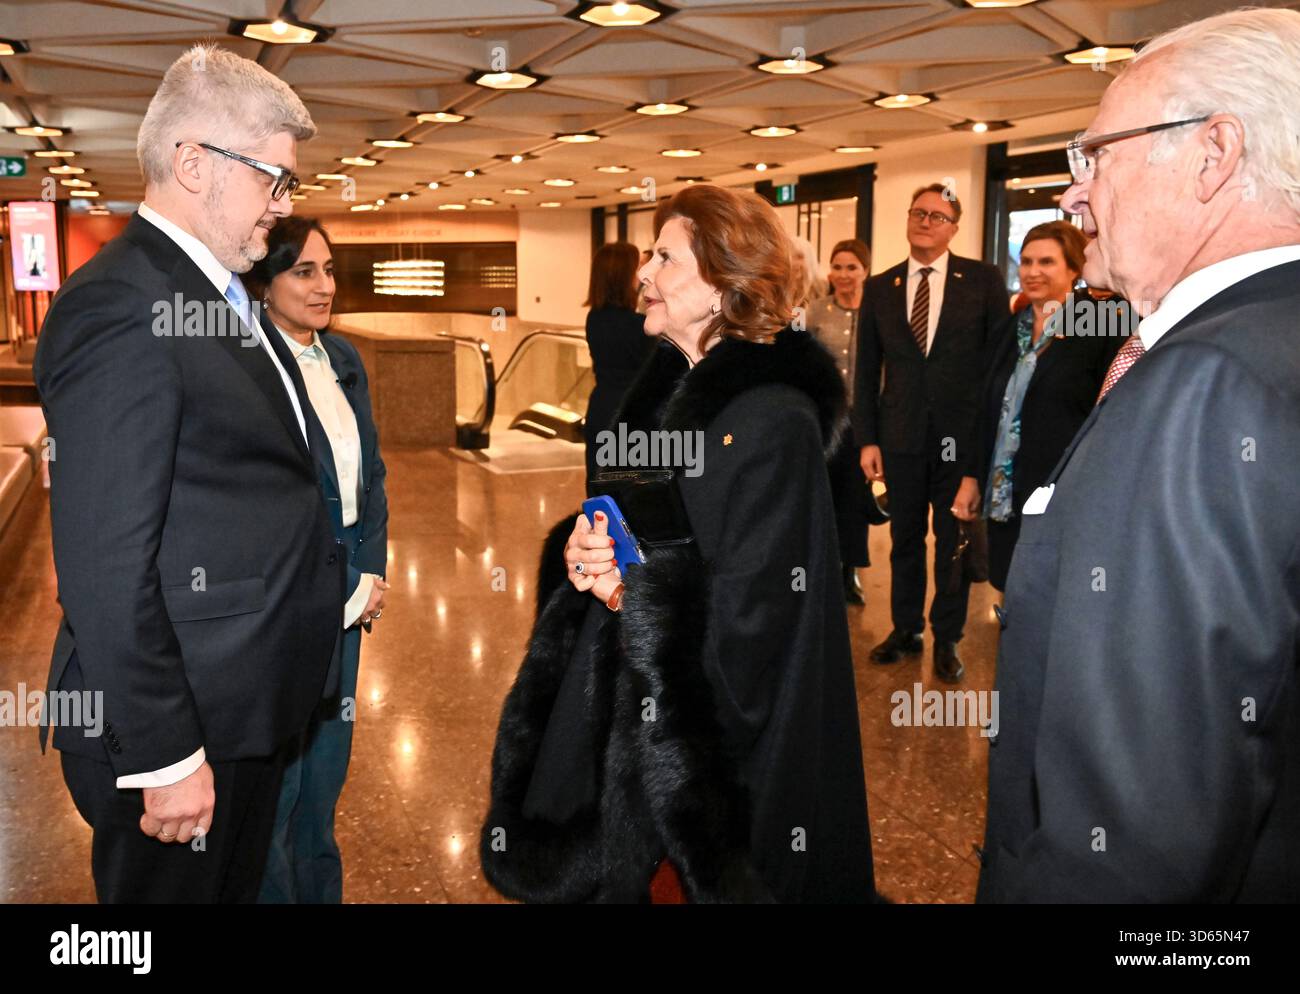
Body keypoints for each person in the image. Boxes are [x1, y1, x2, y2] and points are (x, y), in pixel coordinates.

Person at [978, 6, 1300, 902]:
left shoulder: (1203, 382)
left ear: (1214, 152)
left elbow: (1133, 839)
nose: (1071, 196)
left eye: (1096, 154)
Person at [481, 184, 876, 903]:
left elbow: (756, 623)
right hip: (626, 713)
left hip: (707, 763)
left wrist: (631, 595)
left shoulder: (773, 420)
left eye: (664, 257)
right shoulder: (666, 390)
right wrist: (581, 552)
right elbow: (638, 528)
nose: (644, 273)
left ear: (724, 284)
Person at [33, 44, 342, 903]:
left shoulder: (212, 295)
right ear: (194, 163)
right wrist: (167, 755)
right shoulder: (122, 308)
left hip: (237, 703)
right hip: (180, 727)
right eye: (274, 180)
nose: (284, 207)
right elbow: (103, 560)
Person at [243, 217, 389, 903]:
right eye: (304, 271)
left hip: (352, 596)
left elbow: (373, 479)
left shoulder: (345, 360)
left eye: (329, 270)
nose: (324, 286)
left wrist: (371, 573)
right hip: (293, 602)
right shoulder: (252, 366)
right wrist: (335, 585)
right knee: (282, 787)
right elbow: (271, 504)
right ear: (265, 282)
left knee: (326, 781)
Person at [853, 184, 1010, 682]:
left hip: (958, 439)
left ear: (954, 227)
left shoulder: (983, 281)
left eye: (938, 216)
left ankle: (947, 638)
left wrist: (980, 453)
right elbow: (866, 369)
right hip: (898, 437)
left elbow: (995, 370)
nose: (926, 221)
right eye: (918, 212)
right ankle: (905, 630)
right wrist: (867, 439)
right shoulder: (881, 287)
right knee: (903, 540)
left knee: (952, 544)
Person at [952, 221, 1123, 590]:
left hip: (1064, 497)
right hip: (1006, 495)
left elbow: (1114, 412)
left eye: (1046, 262)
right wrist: (970, 478)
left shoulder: (1100, 323)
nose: (1032, 272)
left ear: (1074, 268)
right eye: (1026, 262)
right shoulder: (1010, 328)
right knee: (1010, 592)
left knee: (1054, 598)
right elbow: (984, 410)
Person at [807, 238, 873, 604]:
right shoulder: (817, 311)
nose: (843, 274)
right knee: (826, 495)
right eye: (837, 266)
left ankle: (852, 571)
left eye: (852, 267)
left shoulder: (877, 311)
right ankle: (825, 568)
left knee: (857, 500)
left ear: (865, 270)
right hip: (826, 420)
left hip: (864, 421)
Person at [583, 241, 655, 487]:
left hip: (601, 407)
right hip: (630, 415)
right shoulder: (638, 326)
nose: (644, 273)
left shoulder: (594, 317)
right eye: (639, 267)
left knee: (600, 488)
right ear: (624, 275)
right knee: (630, 491)